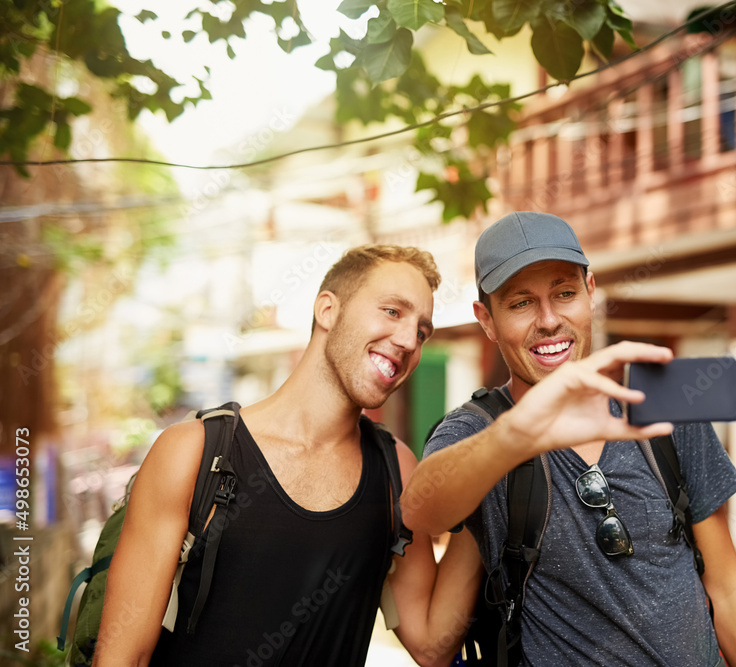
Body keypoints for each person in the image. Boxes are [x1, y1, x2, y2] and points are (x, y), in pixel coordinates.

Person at [402, 212, 736, 666]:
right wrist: (518, 435)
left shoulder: (664, 401)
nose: (548, 320)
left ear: (591, 292)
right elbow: (422, 509)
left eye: (564, 293)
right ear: (487, 319)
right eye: (521, 303)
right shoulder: (477, 430)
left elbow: (727, 583)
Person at [95, 245, 481, 667]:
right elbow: (123, 656)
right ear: (328, 310)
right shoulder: (195, 452)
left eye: (422, 331)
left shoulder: (396, 471)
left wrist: (495, 475)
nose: (409, 340)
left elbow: (431, 645)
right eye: (392, 311)